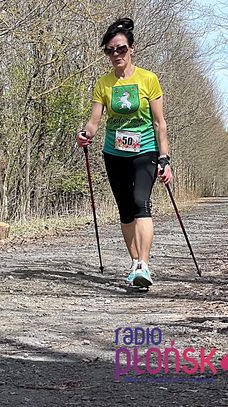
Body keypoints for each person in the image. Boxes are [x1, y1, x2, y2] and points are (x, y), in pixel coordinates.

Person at [77, 17, 173, 288]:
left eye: (120, 48)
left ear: (131, 48)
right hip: (114, 152)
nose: (116, 54)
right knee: (125, 209)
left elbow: (159, 123)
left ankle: (144, 264)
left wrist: (164, 158)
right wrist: (85, 134)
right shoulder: (104, 84)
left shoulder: (148, 79)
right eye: (110, 51)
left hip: (145, 150)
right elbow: (94, 122)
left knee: (140, 201)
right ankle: (134, 264)